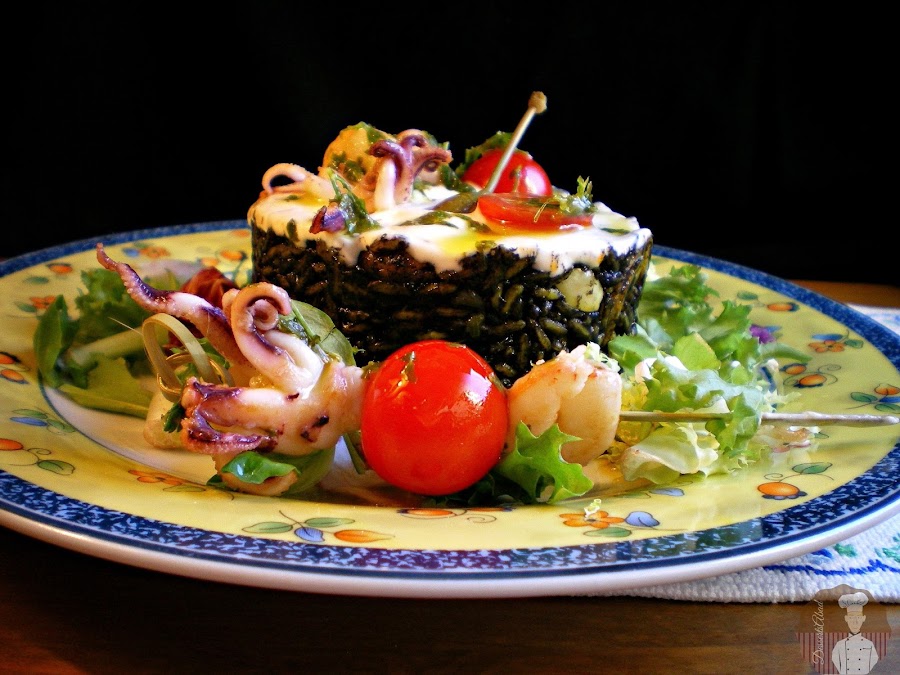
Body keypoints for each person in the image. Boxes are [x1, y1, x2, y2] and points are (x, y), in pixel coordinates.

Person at [832, 592, 879, 674]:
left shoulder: (869, 645)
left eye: (858, 617)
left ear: (863, 618)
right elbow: (836, 661)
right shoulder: (839, 645)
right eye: (851, 617)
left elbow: (873, 661)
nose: (855, 622)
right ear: (846, 619)